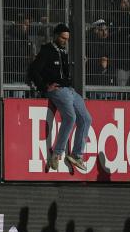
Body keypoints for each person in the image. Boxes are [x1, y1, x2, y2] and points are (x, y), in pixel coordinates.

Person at [26, 23, 92, 172]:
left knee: (86, 118)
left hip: (69, 89)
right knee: (70, 117)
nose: (65, 41)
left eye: (67, 38)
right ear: (56, 35)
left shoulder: (63, 52)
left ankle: (76, 154)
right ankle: (57, 154)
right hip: (57, 89)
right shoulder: (47, 51)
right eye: (63, 38)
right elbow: (33, 70)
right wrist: (44, 87)